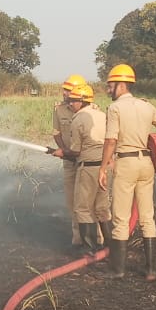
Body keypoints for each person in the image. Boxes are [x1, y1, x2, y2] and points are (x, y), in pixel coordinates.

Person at [98, 64, 156, 281]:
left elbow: (111, 140)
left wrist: (103, 167)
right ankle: (151, 270)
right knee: (147, 217)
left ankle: (118, 270)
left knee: (121, 218)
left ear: (120, 85)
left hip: (126, 162)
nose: (108, 89)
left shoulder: (115, 109)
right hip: (147, 164)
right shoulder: (146, 106)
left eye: (110, 85)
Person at [59, 83, 111, 252]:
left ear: (82, 101)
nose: (70, 104)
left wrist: (61, 152)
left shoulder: (78, 119)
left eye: (73, 101)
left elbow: (75, 151)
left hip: (87, 168)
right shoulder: (102, 115)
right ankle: (110, 247)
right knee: (102, 207)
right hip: (104, 167)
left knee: (82, 208)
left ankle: (89, 250)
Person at [52, 74, 86, 246]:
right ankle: (78, 238)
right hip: (69, 161)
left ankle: (99, 238)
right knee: (71, 200)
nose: (64, 93)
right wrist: (64, 151)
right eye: (64, 90)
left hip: (86, 162)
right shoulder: (58, 109)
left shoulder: (92, 111)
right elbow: (57, 133)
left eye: (68, 90)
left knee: (89, 200)